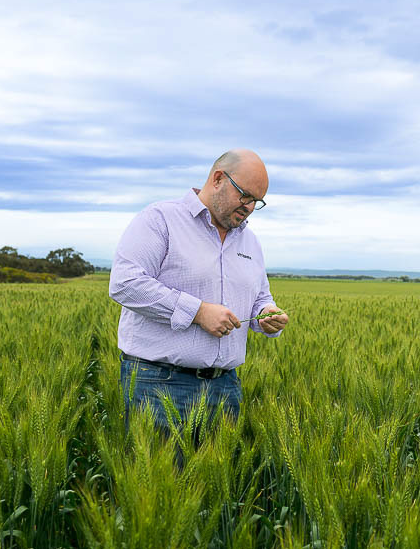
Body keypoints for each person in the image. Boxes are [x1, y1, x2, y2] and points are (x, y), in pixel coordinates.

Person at [109, 149, 289, 452]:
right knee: (163, 480)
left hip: (226, 388)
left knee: (217, 482)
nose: (249, 207)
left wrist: (266, 314)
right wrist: (197, 312)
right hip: (159, 383)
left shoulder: (250, 241)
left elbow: (260, 295)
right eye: (245, 196)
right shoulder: (160, 219)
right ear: (218, 179)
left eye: (257, 202)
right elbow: (125, 284)